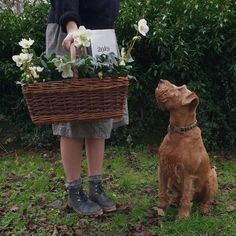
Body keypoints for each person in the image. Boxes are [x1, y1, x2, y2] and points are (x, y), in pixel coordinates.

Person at [46, 0, 128, 216]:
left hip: (102, 37)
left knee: (100, 110)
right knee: (72, 113)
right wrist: (71, 27)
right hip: (70, 32)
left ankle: (95, 187)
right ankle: (74, 191)